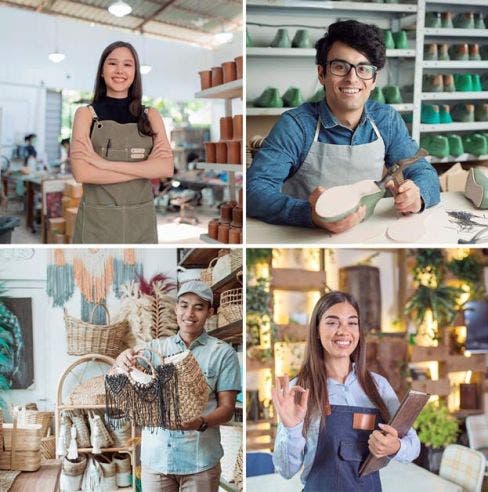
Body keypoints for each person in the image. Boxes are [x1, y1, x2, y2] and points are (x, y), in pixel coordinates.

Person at [247, 20, 441, 234]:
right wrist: (310, 214)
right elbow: (255, 190)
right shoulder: (296, 125)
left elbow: (423, 171)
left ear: (374, 79)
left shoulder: (386, 120)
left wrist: (418, 196)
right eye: (340, 67)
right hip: (306, 234)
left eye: (363, 69)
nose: (352, 78)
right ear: (322, 73)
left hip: (368, 233)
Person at [271, 291, 419, 491]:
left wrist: (396, 447)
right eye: (332, 322)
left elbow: (413, 444)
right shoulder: (298, 390)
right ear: (316, 330)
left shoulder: (378, 386)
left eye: (352, 322)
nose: (344, 330)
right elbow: (285, 470)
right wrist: (292, 428)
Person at [112, 280, 240, 491]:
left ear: (210, 311)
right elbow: (131, 375)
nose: (189, 313)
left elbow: (227, 409)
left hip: (200, 463)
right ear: (176, 308)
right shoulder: (155, 348)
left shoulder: (223, 353)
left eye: (199, 307)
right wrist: (123, 359)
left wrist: (200, 422)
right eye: (184, 305)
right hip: (156, 461)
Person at [69, 41, 173, 243]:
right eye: (112, 63)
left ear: (135, 72)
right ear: (101, 71)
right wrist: (145, 168)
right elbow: (82, 173)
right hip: (97, 223)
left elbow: (166, 168)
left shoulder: (151, 115)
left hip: (141, 221)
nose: (119, 71)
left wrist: (103, 164)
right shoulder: (85, 115)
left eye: (127, 64)